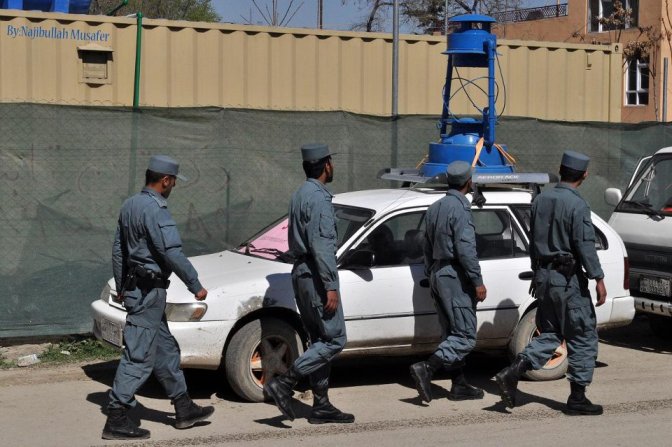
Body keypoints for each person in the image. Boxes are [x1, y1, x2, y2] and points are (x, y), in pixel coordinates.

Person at [102, 155, 214, 440]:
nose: (174, 186)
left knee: (165, 350)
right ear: (165, 180)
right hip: (148, 293)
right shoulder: (156, 209)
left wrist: (122, 286)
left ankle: (183, 407)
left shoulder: (130, 205)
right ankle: (116, 416)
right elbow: (171, 252)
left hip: (139, 291)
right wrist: (195, 285)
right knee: (138, 356)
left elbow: (118, 250)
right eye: (173, 181)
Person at [495, 150, 607, 416]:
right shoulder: (578, 205)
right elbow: (584, 245)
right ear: (584, 175)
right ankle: (577, 398)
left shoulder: (540, 200)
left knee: (552, 333)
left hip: (545, 278)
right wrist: (598, 278)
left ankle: (514, 371)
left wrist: (538, 273)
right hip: (568, 281)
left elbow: (533, 242)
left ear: (561, 170)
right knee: (582, 335)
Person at [264, 143, 354, 424]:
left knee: (319, 341)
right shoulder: (319, 198)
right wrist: (330, 285)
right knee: (335, 339)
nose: (333, 166)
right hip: (316, 275)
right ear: (326, 165)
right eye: (331, 162)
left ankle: (321, 405)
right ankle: (284, 383)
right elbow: (322, 246)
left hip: (302, 273)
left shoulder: (300, 194)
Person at [410, 160, 488, 403]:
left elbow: (425, 245)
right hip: (455, 276)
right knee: (465, 336)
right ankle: (428, 368)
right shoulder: (460, 209)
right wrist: (477, 281)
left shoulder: (435, 207)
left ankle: (459, 384)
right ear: (469, 182)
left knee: (450, 333)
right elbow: (466, 249)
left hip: (438, 273)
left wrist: (432, 272)